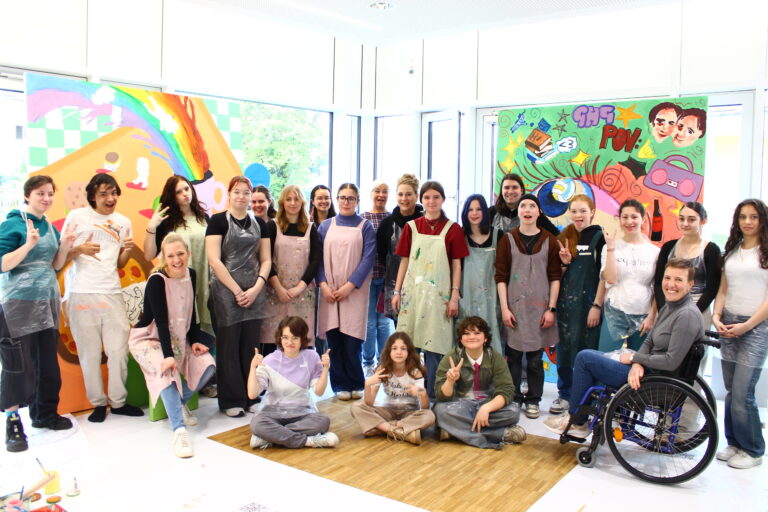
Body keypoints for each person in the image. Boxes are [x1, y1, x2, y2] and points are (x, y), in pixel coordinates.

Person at [544, 258, 704, 438]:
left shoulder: (686, 315)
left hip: (657, 383)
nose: (671, 284)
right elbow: (649, 341)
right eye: (667, 278)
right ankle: (581, 417)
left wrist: (636, 360)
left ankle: (576, 421)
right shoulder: (670, 306)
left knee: (584, 358)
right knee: (593, 358)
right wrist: (637, 363)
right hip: (646, 370)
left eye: (678, 280)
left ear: (690, 285)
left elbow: (671, 361)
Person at [61, 173, 144, 423]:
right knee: (89, 353)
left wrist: (127, 251)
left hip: (111, 292)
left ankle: (118, 402)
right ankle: (98, 403)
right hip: (81, 293)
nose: (110, 198)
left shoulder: (123, 222)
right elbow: (60, 255)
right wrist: (79, 249)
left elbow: (118, 262)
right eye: (104, 194)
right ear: (92, 197)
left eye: (114, 192)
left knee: (118, 351)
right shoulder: (76, 217)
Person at [1, 176, 74, 452]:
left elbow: (54, 265)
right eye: (40, 193)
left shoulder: (48, 227)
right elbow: (3, 264)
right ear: (28, 195)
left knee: (47, 365)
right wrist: (28, 245)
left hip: (47, 304)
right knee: (18, 366)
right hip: (18, 306)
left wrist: (64, 245)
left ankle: (45, 414)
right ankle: (13, 423)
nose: (46, 198)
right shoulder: (13, 224)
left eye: (49, 194)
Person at [128, 233, 216, 458]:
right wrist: (168, 356)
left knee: (208, 365)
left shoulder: (191, 274)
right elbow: (161, 321)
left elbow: (192, 311)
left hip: (178, 338)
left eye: (180, 254)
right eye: (171, 256)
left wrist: (195, 340)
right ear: (163, 258)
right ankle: (179, 430)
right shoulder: (157, 280)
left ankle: (178, 403)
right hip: (149, 339)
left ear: (187, 253)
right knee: (166, 371)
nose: (177, 260)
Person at [392, 181, 469, 400]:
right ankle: (406, 396)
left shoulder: (452, 229)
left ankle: (435, 397)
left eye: (436, 197)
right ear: (421, 200)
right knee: (408, 346)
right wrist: (397, 292)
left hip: (439, 298)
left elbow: (456, 265)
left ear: (443, 199)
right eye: (427, 197)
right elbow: (404, 261)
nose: (431, 201)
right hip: (413, 296)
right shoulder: (412, 227)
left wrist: (454, 295)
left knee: (436, 348)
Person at [206, 176, 271, 417]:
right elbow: (214, 260)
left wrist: (256, 288)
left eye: (246, 193)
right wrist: (236, 290)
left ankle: (251, 396)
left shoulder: (260, 224)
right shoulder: (217, 221)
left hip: (254, 292)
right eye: (237, 192)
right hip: (225, 292)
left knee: (251, 347)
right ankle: (231, 400)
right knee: (228, 347)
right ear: (229, 194)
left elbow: (266, 260)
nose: (241, 197)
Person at [712, 199, 768, 470]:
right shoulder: (732, 250)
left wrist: (747, 326)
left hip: (755, 326)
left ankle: (754, 449)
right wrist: (715, 316)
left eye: (754, 217)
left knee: (744, 391)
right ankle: (734, 442)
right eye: (743, 217)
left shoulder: (766, 252)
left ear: (762, 220)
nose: (748, 222)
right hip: (728, 324)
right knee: (732, 390)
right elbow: (724, 289)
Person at [143, 176, 215, 384]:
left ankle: (205, 380)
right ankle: (182, 382)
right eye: (179, 191)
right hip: (179, 284)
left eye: (187, 188)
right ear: (171, 196)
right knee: (183, 324)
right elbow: (150, 254)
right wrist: (151, 227)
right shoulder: (168, 222)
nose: (185, 193)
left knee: (205, 326)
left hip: (204, 281)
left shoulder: (204, 218)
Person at [495, 193, 561, 419]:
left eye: (532, 206)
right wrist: (504, 308)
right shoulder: (508, 239)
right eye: (523, 205)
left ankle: (533, 399)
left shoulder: (550, 241)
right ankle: (513, 398)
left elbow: (555, 277)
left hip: (540, 309)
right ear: (519, 212)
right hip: (514, 309)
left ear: (539, 212)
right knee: (513, 358)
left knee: (534, 360)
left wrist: (551, 309)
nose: (527, 209)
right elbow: (501, 277)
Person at [316, 183, 375, 401]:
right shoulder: (325, 226)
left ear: (358, 200)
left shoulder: (365, 227)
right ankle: (339, 383)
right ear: (337, 200)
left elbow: (368, 259)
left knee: (352, 341)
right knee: (335, 340)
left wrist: (349, 286)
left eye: (351, 198)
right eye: (342, 197)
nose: (346, 202)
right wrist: (323, 286)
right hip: (329, 292)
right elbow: (317, 259)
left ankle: (356, 382)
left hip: (354, 293)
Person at [433, 316, 527, 449]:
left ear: (485, 338)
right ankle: (499, 434)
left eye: (477, 333)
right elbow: (441, 396)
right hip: (460, 405)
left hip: (487, 403)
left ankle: (454, 431)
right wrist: (449, 381)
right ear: (460, 339)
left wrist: (486, 408)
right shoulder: (451, 357)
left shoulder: (495, 358)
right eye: (466, 333)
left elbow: (506, 390)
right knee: (440, 411)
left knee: (513, 411)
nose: (472, 337)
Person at [550, 194, 605, 415]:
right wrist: (564, 263)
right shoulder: (564, 237)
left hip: (589, 305)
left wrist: (597, 305)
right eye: (574, 211)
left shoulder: (600, 238)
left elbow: (604, 276)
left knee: (587, 352)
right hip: (566, 306)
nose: (578, 215)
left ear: (592, 211)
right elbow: (557, 276)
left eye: (583, 211)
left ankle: (586, 398)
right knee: (565, 350)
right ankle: (564, 395)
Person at [247, 316, 338, 449]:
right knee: (257, 424)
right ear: (280, 338)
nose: (290, 342)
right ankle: (309, 441)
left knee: (323, 421)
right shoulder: (269, 360)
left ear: (302, 338)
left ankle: (271, 437)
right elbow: (252, 394)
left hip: (303, 413)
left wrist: (325, 369)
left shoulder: (311, 357)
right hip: (272, 413)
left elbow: (319, 391)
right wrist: (252, 368)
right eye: (285, 337)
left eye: (295, 337)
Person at [259, 185, 320, 358]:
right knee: (272, 342)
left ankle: (299, 383)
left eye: (296, 199)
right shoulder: (272, 226)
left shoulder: (310, 228)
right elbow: (266, 259)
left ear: (302, 202)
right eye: (288, 199)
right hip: (275, 294)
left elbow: (315, 261)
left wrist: (299, 288)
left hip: (302, 295)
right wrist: (279, 288)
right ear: (282, 202)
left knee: (299, 341)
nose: (293, 203)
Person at [350, 332, 435, 445]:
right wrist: (367, 384)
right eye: (394, 348)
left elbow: (425, 408)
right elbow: (369, 403)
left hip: (409, 413)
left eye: (403, 348)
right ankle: (399, 432)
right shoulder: (382, 369)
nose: (399, 352)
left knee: (430, 416)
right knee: (356, 407)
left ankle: (383, 428)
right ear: (389, 351)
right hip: (387, 412)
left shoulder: (415, 371)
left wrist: (422, 393)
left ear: (409, 351)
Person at [599, 199, 660, 353]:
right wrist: (611, 249)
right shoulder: (609, 246)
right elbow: (610, 278)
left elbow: (658, 287)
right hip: (615, 312)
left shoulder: (655, 252)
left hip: (643, 315)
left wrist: (652, 316)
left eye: (634, 217)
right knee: (605, 360)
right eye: (625, 217)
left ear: (643, 219)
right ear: (619, 220)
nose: (629, 221)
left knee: (638, 364)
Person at [653, 202, 721, 328]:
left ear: (703, 221)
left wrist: (691, 313)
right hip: (668, 309)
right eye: (681, 218)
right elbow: (658, 282)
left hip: (698, 310)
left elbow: (712, 289)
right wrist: (664, 310)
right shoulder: (668, 247)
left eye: (691, 220)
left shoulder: (711, 250)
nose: (685, 223)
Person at [458, 194, 503, 354]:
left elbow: (504, 271)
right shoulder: (459, 236)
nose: (474, 213)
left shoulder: (499, 235)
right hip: (467, 298)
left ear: (485, 211)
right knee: (467, 340)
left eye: (478, 209)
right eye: (470, 209)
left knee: (492, 341)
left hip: (492, 299)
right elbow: (456, 269)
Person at [377, 174, 423, 321]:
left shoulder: (426, 221)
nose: (404, 199)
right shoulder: (387, 224)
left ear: (416, 196)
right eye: (400, 194)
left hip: (423, 284)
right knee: (401, 331)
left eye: (409, 194)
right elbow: (382, 254)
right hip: (394, 284)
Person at [361, 180, 393, 377]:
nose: (381, 195)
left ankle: (385, 362)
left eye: (385, 191)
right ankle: (368, 362)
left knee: (384, 323)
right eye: (377, 191)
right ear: (370, 193)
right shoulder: (363, 218)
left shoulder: (392, 218)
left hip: (387, 278)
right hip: (367, 278)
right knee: (369, 323)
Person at [309, 184, 336, 355]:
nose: (323, 201)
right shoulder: (307, 223)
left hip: (334, 277)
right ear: (312, 200)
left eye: (326, 197)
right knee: (315, 319)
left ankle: (328, 358)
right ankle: (317, 358)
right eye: (319, 198)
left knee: (330, 320)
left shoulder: (338, 222)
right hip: (312, 279)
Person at [489, 173, 558, 235]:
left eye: (514, 187)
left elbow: (556, 235)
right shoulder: (491, 212)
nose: (510, 191)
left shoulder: (532, 213)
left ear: (521, 190)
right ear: (501, 191)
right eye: (506, 188)